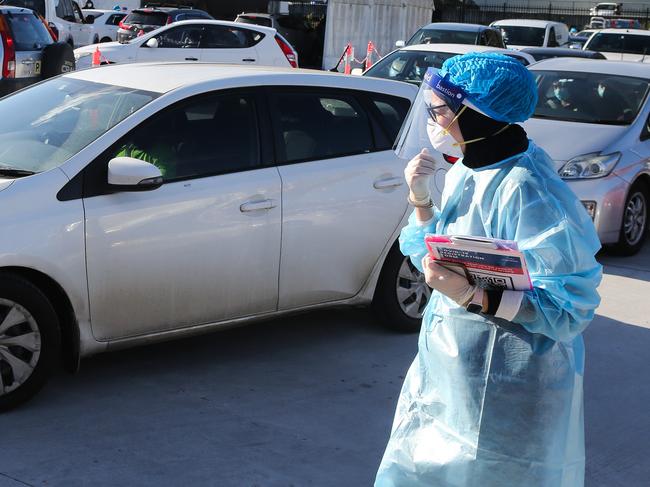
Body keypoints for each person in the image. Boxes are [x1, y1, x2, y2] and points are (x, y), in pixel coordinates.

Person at [375, 53, 602, 487]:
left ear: (476, 114)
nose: (433, 120)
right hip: (451, 371)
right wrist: (421, 200)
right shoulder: (474, 166)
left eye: (440, 111)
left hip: (512, 387)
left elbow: (569, 309)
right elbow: (433, 248)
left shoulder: (530, 191)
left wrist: (472, 296)